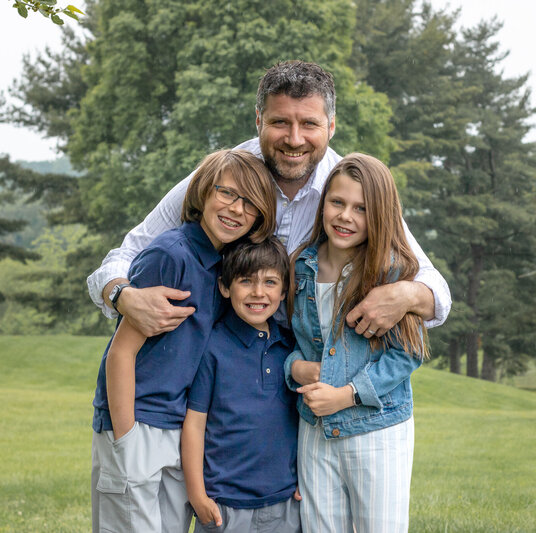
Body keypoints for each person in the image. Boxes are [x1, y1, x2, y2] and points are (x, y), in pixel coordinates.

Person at [86, 60, 451, 339]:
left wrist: (404, 295)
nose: (294, 139)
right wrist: (122, 296)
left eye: (309, 124)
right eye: (280, 123)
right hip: (219, 368)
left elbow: (436, 291)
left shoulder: (350, 192)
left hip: (311, 377)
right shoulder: (221, 179)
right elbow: (123, 256)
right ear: (258, 120)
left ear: (332, 126)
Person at [90, 150, 276, 533]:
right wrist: (124, 439)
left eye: (249, 204)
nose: (236, 209)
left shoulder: (225, 269)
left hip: (179, 429)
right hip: (137, 423)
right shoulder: (170, 254)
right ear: (203, 193)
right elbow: (120, 353)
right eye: (227, 194)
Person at [285, 153, 428, 532]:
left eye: (361, 208)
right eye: (338, 202)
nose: (346, 216)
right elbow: (291, 342)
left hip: (376, 428)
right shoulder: (300, 267)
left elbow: (407, 356)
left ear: (380, 214)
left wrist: (345, 395)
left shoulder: (392, 273)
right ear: (323, 204)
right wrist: (295, 368)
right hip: (314, 430)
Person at [182, 237, 301, 533]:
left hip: (286, 503)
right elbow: (195, 425)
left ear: (284, 290)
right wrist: (197, 494)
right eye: (246, 281)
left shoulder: (290, 348)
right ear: (225, 286)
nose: (258, 292)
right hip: (224, 505)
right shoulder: (212, 347)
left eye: (270, 282)